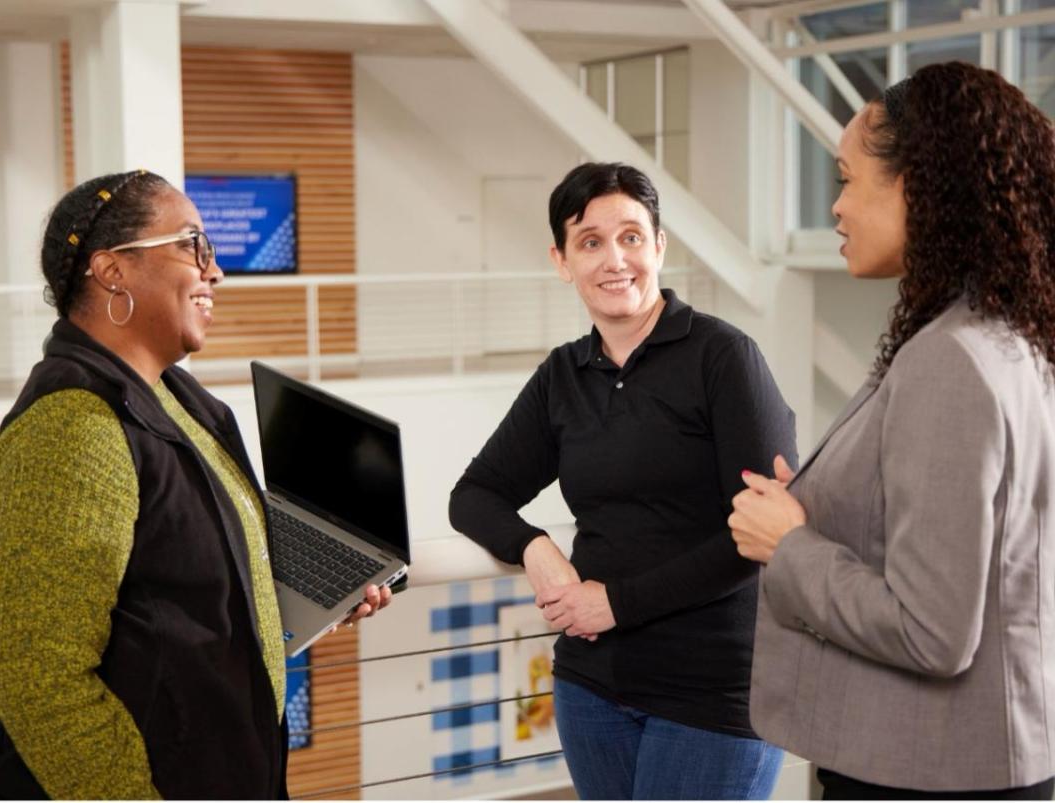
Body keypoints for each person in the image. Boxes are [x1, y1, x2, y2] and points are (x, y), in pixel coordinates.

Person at [0, 169, 390, 799]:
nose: (215, 271)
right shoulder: (74, 428)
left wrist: (291, 599)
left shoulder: (172, 395)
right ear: (113, 271)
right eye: (194, 244)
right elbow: (31, 666)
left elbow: (173, 577)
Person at [730, 62, 1055, 800]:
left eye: (846, 179)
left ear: (921, 183)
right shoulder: (1012, 335)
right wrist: (819, 510)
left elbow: (933, 630)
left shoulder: (949, 359)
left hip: (925, 774)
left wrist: (789, 546)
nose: (836, 206)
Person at [449, 162, 797, 799]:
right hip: (593, 685)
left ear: (659, 247)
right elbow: (474, 495)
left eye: (632, 237)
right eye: (591, 242)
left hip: (712, 693)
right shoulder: (564, 375)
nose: (615, 260)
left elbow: (758, 537)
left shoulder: (723, 358)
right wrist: (538, 549)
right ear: (561, 260)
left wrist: (614, 603)